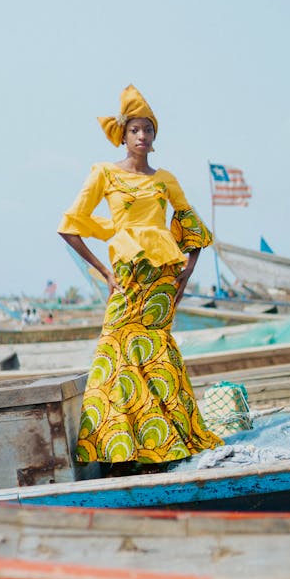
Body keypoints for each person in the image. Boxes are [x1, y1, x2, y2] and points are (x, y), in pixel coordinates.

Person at [58, 84, 223, 473]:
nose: (142, 137)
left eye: (148, 130)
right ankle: (120, 450)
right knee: (114, 354)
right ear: (124, 135)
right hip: (127, 278)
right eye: (135, 130)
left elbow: (192, 227)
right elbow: (69, 226)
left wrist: (187, 272)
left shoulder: (165, 179)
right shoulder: (104, 173)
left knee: (156, 354)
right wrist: (104, 273)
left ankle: (161, 448)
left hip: (161, 279)